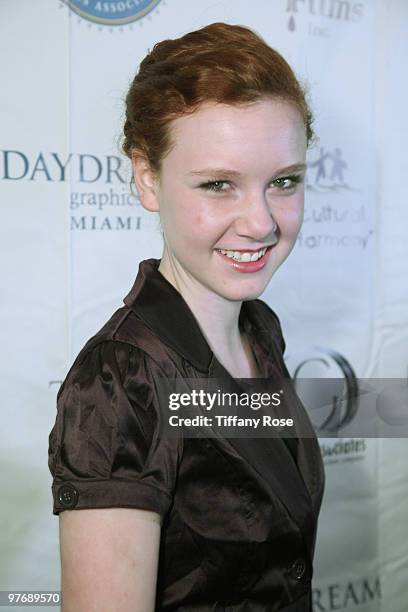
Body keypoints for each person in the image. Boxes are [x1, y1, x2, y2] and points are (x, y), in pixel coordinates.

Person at [48, 22, 325, 611]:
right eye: (219, 184)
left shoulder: (259, 328)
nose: (262, 223)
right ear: (148, 177)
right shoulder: (120, 382)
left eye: (284, 182)